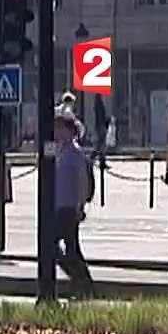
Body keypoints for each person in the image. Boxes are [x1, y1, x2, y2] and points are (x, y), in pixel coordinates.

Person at [53, 115, 95, 298]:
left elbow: (82, 181)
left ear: (71, 131)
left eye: (61, 128)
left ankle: (82, 281)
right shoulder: (57, 151)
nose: (57, 132)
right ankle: (81, 280)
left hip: (69, 207)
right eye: (56, 128)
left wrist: (80, 206)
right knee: (62, 247)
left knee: (68, 247)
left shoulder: (76, 153)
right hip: (56, 205)